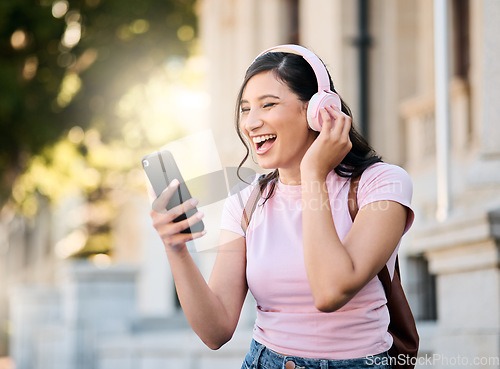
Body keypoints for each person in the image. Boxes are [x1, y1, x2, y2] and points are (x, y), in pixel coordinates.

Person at [150, 44, 414, 369]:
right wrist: (175, 248)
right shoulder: (246, 201)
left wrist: (313, 174)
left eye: (268, 105)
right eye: (246, 109)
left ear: (317, 110)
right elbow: (215, 331)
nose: (250, 123)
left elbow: (331, 291)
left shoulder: (382, 184)